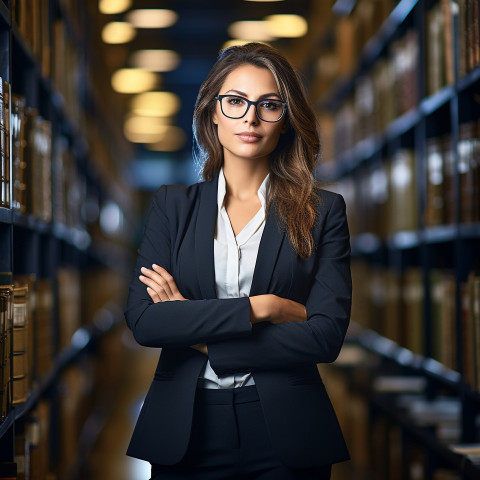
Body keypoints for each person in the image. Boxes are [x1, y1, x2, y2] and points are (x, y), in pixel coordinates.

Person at [124, 42, 351, 480]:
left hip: (287, 431)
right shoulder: (172, 207)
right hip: (185, 429)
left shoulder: (323, 212)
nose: (250, 117)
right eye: (235, 102)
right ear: (212, 112)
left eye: (269, 105)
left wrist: (195, 328)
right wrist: (262, 307)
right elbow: (145, 322)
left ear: (286, 120)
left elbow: (324, 337)